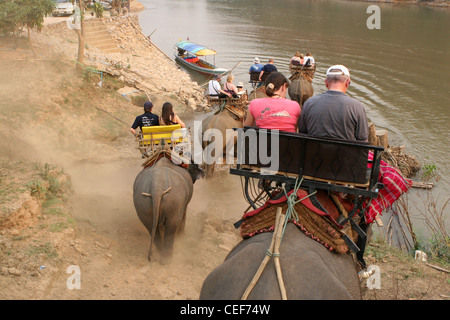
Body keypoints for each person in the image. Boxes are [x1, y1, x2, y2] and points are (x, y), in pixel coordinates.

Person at [297, 65, 368, 141]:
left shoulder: (309, 103)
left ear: (326, 82)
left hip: (314, 152)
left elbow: (302, 133)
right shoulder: (357, 106)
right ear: (347, 82)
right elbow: (362, 139)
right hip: (345, 152)